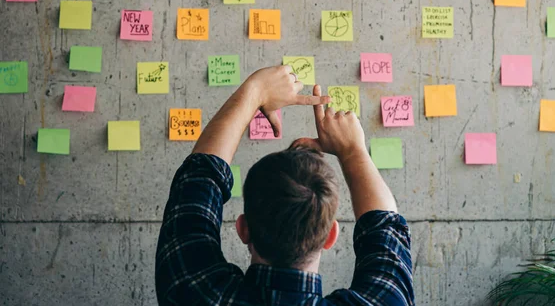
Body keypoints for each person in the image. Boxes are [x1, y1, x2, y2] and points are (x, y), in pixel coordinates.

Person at [155, 65, 414, 305]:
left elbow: (198, 181)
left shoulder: (192, 289)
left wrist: (255, 89)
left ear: (243, 229)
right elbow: (386, 232)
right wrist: (353, 151)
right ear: (330, 236)